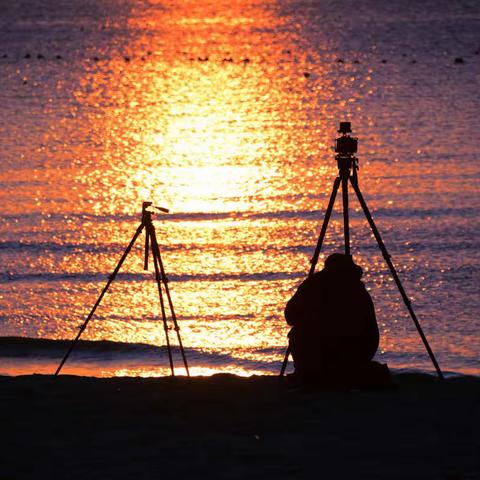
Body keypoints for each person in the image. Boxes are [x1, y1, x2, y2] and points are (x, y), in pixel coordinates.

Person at [285, 253, 380, 387]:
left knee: (297, 332)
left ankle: (313, 373)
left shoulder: (312, 285)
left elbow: (290, 316)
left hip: (335, 351)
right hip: (357, 353)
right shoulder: (358, 288)